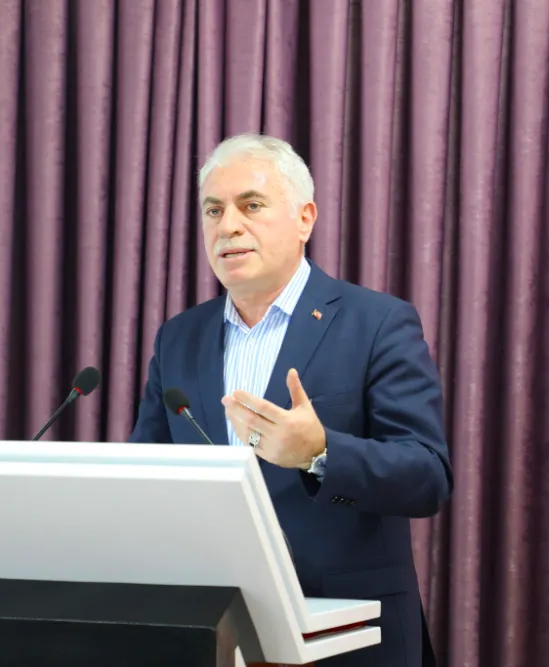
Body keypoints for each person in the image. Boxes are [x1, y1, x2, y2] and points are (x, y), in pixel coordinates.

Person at [128, 133, 453, 667]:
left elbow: (427, 477)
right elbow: (147, 477)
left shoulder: (376, 323)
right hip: (213, 634)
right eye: (213, 210)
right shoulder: (178, 338)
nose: (228, 226)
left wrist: (320, 452)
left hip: (347, 634)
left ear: (304, 219)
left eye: (251, 205)